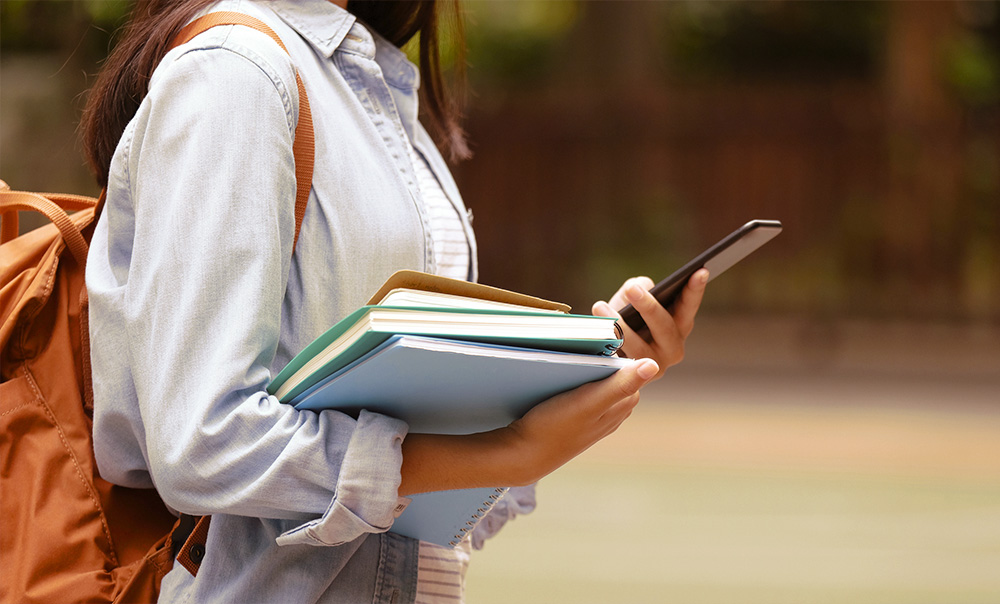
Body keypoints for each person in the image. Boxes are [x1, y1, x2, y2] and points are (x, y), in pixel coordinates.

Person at [81, 0, 708, 602]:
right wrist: (508, 451)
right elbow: (203, 443)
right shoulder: (236, 71)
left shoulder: (365, 79)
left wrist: (591, 370)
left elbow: (413, 518)